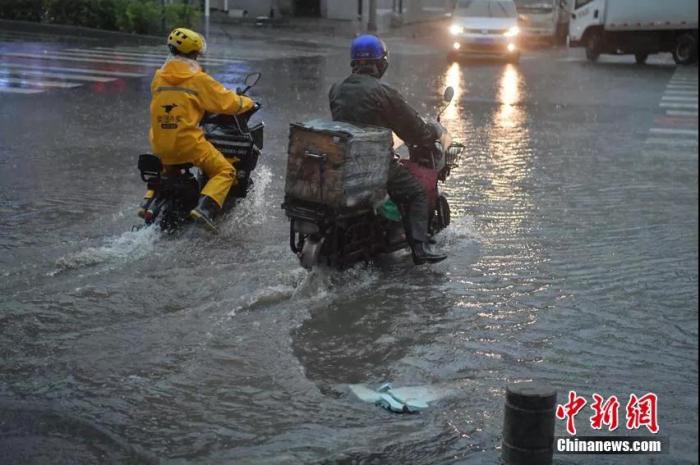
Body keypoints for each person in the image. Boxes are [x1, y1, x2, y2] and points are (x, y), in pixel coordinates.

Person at [329, 34, 447, 265]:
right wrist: (432, 132)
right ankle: (419, 249)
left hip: (344, 161)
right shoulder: (383, 93)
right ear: (381, 63)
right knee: (416, 193)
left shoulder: (336, 89)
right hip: (375, 165)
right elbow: (413, 130)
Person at [146, 27, 255, 232]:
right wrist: (247, 103)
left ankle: (148, 201)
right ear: (195, 54)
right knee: (225, 171)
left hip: (160, 141)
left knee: (164, 169)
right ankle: (205, 209)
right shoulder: (197, 79)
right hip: (187, 142)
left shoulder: (159, 77)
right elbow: (225, 101)